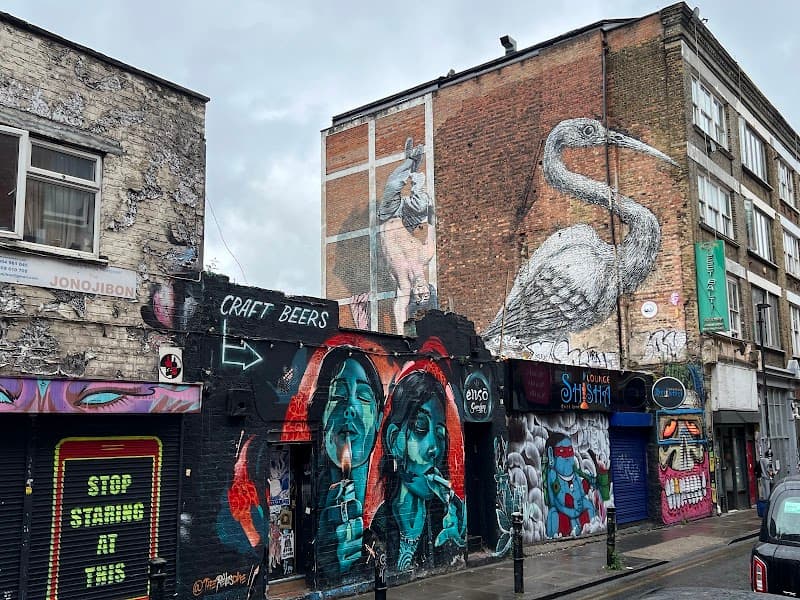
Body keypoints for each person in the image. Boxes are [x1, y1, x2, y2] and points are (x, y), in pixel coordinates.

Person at [372, 369, 465, 571]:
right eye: (420, 428)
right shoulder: (378, 527)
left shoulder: (447, 516)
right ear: (394, 440)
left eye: (440, 434)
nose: (434, 448)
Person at [314, 348, 385, 578]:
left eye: (363, 397)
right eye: (338, 396)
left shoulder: (389, 515)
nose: (350, 410)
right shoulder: (315, 501)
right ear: (322, 412)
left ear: (379, 419)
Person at [378, 137, 438, 333]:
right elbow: (431, 223)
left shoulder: (404, 284)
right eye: (425, 293)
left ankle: (410, 162)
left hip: (388, 215)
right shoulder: (425, 255)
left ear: (413, 294)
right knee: (423, 203)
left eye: (419, 296)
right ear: (429, 288)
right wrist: (422, 196)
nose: (421, 291)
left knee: (393, 185)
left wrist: (402, 336)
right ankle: (414, 179)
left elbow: (400, 308)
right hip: (406, 220)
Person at [544, 432, 596, 538]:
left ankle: (589, 527)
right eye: (562, 452)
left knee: (589, 506)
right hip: (561, 507)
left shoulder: (574, 472)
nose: (567, 457)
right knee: (554, 515)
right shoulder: (553, 473)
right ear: (551, 455)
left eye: (569, 452)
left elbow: (580, 489)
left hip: (577, 504)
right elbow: (559, 496)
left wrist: (583, 488)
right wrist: (568, 501)